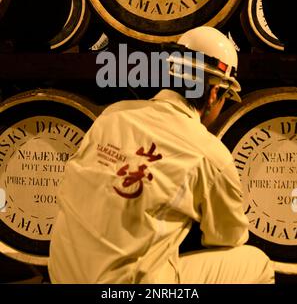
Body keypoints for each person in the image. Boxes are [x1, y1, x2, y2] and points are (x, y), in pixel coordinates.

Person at [48, 26, 275, 284]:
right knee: (256, 262)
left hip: (62, 277)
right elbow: (227, 237)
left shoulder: (112, 115)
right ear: (214, 93)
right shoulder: (209, 154)